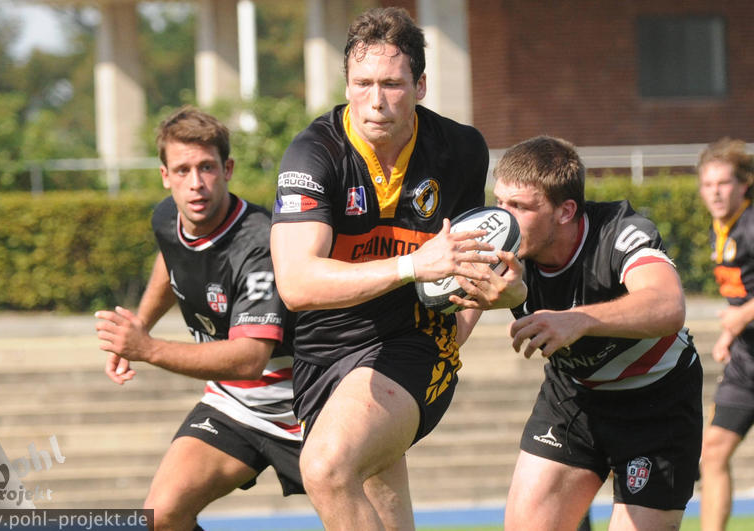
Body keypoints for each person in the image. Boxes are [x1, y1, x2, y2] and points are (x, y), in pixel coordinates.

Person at [269, 7, 526, 530]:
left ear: (420, 86)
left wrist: (475, 315)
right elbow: (295, 284)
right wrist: (412, 264)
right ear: (346, 84)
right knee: (381, 505)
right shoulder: (314, 154)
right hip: (323, 351)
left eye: (392, 84)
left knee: (326, 469)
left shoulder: (459, 149)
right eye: (362, 83)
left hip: (415, 340)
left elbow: (471, 259)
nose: (376, 100)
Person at [94, 106, 302, 531]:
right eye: (182, 170)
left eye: (206, 167)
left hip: (310, 409)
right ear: (164, 176)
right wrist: (141, 325)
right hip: (234, 406)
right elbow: (172, 261)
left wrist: (147, 348)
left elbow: (249, 359)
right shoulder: (167, 218)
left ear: (227, 169)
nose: (196, 183)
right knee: (162, 515)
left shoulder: (260, 243)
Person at [493, 136, 703, 530]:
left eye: (519, 206)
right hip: (573, 397)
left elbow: (669, 305)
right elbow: (457, 323)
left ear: (565, 211)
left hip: (658, 403)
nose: (503, 217)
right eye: (499, 202)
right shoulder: (501, 245)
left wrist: (579, 320)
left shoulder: (620, 233)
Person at [696, 138, 754, 531]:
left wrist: (743, 315)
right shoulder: (721, 228)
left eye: (723, 183)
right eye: (707, 184)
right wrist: (730, 334)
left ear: (744, 184)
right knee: (712, 452)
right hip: (746, 362)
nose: (715, 192)